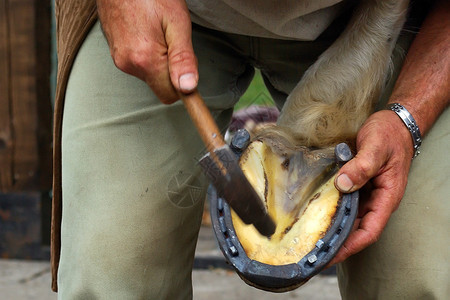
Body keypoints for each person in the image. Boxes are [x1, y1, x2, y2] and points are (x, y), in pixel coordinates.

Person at [51, 0, 449, 298]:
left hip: (376, 16)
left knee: (419, 275)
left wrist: (406, 118)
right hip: (172, 12)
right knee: (109, 272)